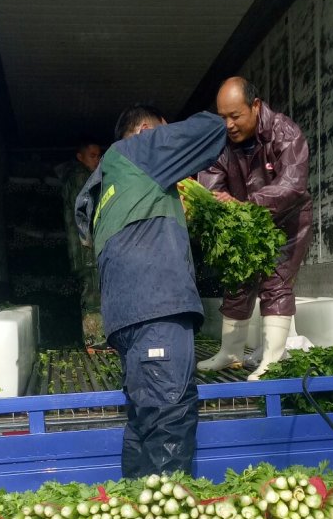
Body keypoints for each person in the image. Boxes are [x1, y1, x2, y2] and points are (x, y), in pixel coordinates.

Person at [75, 104, 227, 478]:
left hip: (127, 321)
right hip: (156, 311)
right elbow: (211, 130)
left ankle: (137, 512)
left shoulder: (100, 187)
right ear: (146, 130)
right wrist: (231, 110)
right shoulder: (137, 150)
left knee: (145, 420)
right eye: (163, 131)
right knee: (169, 419)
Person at [197, 77, 313, 380]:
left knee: (275, 282)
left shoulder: (284, 132)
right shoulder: (220, 143)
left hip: (287, 222)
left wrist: (245, 204)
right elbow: (210, 181)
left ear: (256, 106)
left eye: (235, 116)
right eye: (223, 117)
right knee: (236, 281)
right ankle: (231, 352)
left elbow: (292, 185)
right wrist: (215, 202)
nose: (229, 124)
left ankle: (272, 359)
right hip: (241, 221)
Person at [61, 141, 103, 341]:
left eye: (98, 156)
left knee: (92, 289)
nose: (97, 160)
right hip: (86, 247)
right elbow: (88, 210)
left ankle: (95, 338)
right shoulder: (80, 176)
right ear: (80, 157)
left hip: (82, 246)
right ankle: (95, 339)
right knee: (93, 292)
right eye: (92, 155)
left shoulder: (76, 176)